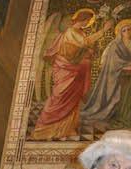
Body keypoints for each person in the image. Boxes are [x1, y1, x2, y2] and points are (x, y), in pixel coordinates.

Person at [32, 8, 113, 140]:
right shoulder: (71, 32)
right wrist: (103, 30)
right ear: (80, 19)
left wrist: (88, 53)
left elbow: (80, 49)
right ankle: (44, 129)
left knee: (73, 99)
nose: (87, 23)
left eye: (88, 21)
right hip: (65, 69)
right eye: (86, 20)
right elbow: (83, 44)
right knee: (60, 96)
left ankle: (67, 128)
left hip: (75, 70)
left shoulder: (79, 32)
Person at [80, 18, 131, 130]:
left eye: (129, 30)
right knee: (114, 95)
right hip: (114, 75)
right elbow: (114, 61)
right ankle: (106, 114)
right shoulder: (115, 45)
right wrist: (129, 63)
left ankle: (124, 115)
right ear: (120, 33)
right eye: (124, 30)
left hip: (130, 76)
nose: (127, 32)